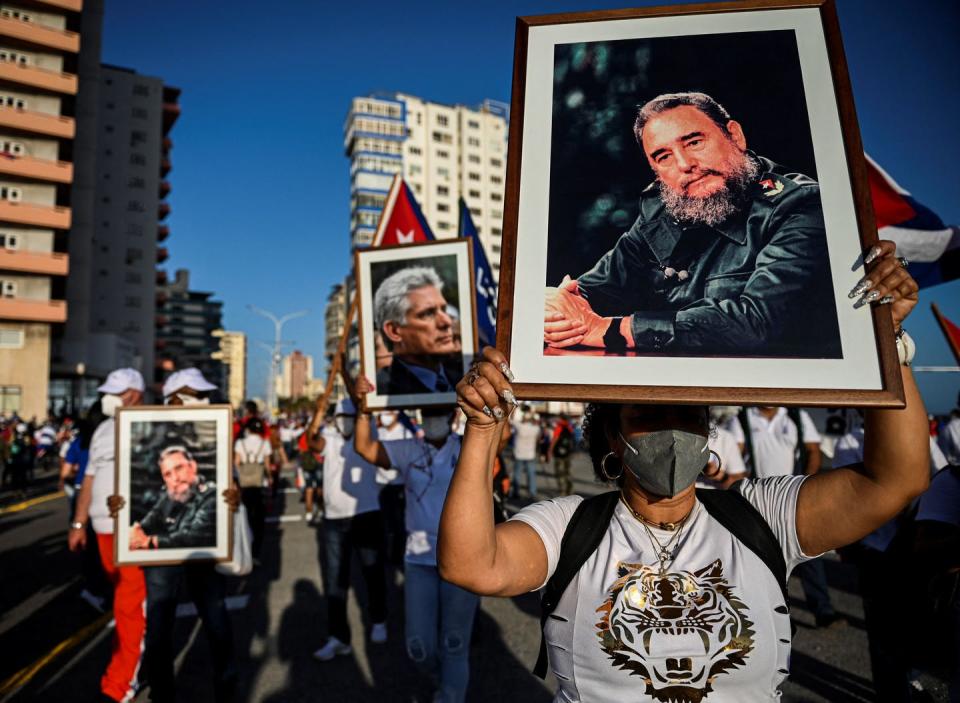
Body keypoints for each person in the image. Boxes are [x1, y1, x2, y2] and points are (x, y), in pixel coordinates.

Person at [439, 241, 928, 701]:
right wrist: (482, 429)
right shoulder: (570, 527)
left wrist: (886, 342)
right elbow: (470, 564)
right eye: (648, 414)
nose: (672, 429)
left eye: (689, 414)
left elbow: (896, 479)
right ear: (612, 433)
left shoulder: (762, 517)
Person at [542, 91, 841, 357]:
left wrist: (610, 330)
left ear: (734, 136)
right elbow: (593, 291)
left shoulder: (801, 205)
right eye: (663, 157)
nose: (684, 164)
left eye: (694, 142)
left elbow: (759, 322)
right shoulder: (660, 212)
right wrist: (556, 305)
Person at [351, 377, 482, 703]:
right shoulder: (409, 448)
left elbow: (501, 435)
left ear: (454, 415)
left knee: (454, 642)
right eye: (428, 413)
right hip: (419, 559)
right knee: (419, 647)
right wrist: (363, 409)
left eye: (441, 412)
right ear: (421, 417)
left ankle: (451, 696)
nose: (434, 418)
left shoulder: (469, 446)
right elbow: (364, 448)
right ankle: (443, 682)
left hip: (463, 556)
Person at [117, 367, 239, 703]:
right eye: (192, 394)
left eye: (202, 394)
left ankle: (226, 690)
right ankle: (162, 693)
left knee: (215, 621)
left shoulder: (213, 442)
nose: (200, 400)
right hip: (162, 562)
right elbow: (150, 512)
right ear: (172, 398)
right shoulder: (150, 441)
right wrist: (127, 516)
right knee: (158, 628)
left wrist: (235, 495)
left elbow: (205, 517)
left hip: (201, 554)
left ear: (192, 466)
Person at [834, 416, 948, 702]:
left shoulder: (920, 435)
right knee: (881, 630)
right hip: (877, 548)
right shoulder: (849, 442)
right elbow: (848, 494)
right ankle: (891, 693)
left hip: (914, 547)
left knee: (918, 620)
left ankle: (912, 680)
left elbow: (940, 478)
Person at [68, 368, 147, 703]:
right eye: (109, 391)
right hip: (101, 529)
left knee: (131, 607)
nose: (109, 398)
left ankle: (122, 682)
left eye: (118, 391)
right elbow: (89, 478)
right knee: (121, 602)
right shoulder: (103, 428)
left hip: (131, 529)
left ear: (137, 393)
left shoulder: (152, 425)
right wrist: (78, 522)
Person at [739, 405, 841, 628]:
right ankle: (763, 617)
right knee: (757, 561)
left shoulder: (797, 415)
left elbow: (813, 450)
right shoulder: (743, 417)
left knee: (809, 554)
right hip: (756, 501)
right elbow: (734, 453)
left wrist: (807, 486)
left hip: (793, 499)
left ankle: (823, 609)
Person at [306, 395, 389, 660]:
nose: (344, 423)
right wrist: (319, 413)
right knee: (334, 579)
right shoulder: (329, 437)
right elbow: (311, 442)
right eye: (339, 418)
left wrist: (360, 398)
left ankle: (378, 619)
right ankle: (338, 637)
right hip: (334, 519)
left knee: (372, 571)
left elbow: (366, 409)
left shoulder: (370, 432)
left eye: (349, 418)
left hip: (366, 513)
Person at [374, 266, 461, 396]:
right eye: (428, 313)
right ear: (394, 331)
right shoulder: (382, 390)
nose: (447, 321)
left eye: (444, 309)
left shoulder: (463, 376)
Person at [375, 409, 415, 563]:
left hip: (399, 485)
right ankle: (386, 553)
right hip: (380, 483)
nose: (385, 415)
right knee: (384, 523)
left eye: (389, 412)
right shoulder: (379, 432)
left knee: (399, 523)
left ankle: (398, 555)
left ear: (397, 413)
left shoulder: (406, 433)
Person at [234, 417, 270, 560]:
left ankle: (244, 551)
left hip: (244, 485)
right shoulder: (265, 443)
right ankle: (256, 553)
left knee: (245, 518)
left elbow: (236, 462)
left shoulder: (240, 443)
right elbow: (267, 464)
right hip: (259, 484)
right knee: (259, 521)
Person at [510, 406, 542, 499]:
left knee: (517, 474)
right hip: (530, 455)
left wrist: (514, 409)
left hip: (519, 454)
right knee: (531, 474)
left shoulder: (520, 426)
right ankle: (532, 493)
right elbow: (538, 439)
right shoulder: (535, 429)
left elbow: (511, 420)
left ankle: (516, 492)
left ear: (523, 418)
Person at [547, 415, 575, 496]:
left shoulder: (559, 427)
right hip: (567, 454)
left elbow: (555, 439)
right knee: (568, 472)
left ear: (561, 419)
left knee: (560, 472)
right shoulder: (569, 427)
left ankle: (562, 491)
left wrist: (550, 450)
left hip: (558, 454)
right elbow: (572, 441)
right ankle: (570, 490)